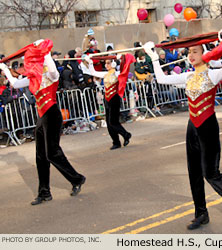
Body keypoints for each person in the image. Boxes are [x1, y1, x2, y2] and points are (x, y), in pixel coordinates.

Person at [143, 41, 222, 230]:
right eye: (189, 52)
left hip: (208, 127)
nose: (191, 55)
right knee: (194, 174)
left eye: (195, 52)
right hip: (192, 128)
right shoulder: (188, 76)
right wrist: (154, 56)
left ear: (204, 54)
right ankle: (201, 214)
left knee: (210, 172)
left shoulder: (213, 74)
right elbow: (161, 79)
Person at [0, 39, 86, 205]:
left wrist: (44, 51)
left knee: (52, 152)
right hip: (42, 117)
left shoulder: (50, 74)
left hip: (52, 114)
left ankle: (76, 179)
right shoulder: (33, 78)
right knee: (40, 156)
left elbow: (53, 71)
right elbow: (16, 84)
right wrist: (4, 68)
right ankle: (44, 192)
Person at [86, 54, 134, 150]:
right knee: (109, 123)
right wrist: (90, 62)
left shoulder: (116, 73)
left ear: (112, 63)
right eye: (105, 63)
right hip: (107, 99)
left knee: (113, 122)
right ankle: (116, 142)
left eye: (108, 63)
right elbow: (93, 72)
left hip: (115, 99)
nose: (106, 65)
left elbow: (125, 69)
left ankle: (126, 134)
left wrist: (121, 58)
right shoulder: (105, 74)